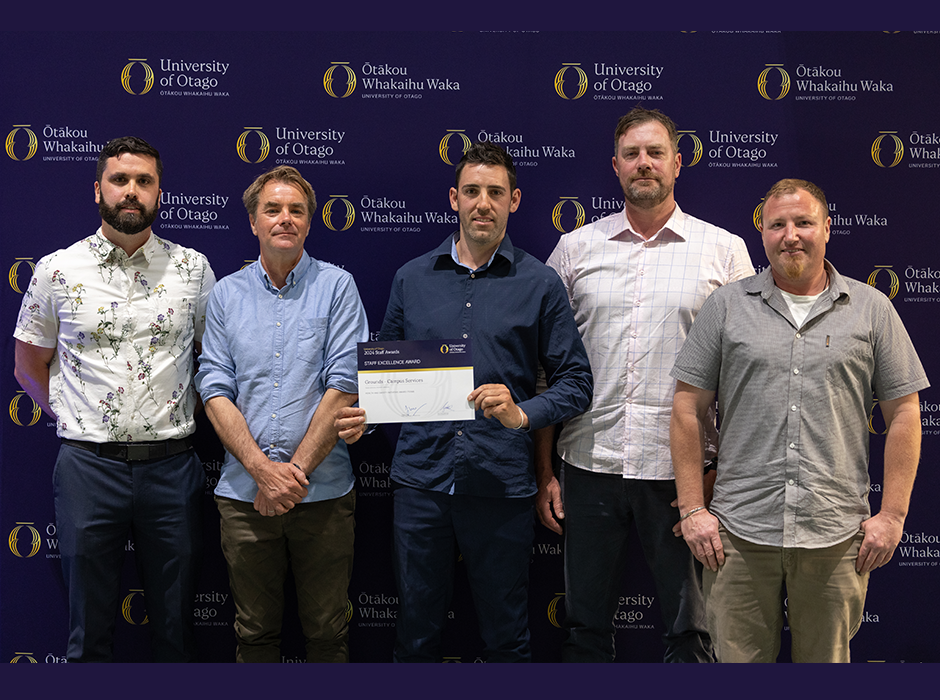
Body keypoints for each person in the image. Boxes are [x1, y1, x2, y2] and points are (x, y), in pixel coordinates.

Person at [335, 141, 593, 662]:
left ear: (514, 201)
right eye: (472, 191)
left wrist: (523, 413)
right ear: (453, 198)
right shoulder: (412, 277)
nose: (483, 203)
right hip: (421, 482)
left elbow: (577, 382)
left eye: (495, 193)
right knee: (415, 634)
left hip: (500, 483)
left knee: (506, 637)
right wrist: (368, 412)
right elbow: (387, 367)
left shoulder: (540, 283)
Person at [670, 178, 927, 663]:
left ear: (827, 229)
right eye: (778, 225)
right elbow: (686, 408)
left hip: (835, 534)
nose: (791, 235)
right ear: (762, 233)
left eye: (804, 223)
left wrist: (892, 515)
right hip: (737, 536)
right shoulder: (726, 307)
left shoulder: (871, 310)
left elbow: (905, 414)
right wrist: (691, 511)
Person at [534, 107, 755, 662]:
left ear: (678, 163)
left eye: (655, 153)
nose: (644, 164)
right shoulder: (574, 250)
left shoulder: (723, 251)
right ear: (615, 166)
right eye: (631, 154)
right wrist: (546, 474)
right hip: (587, 464)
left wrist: (718, 477)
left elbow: (745, 378)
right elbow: (545, 372)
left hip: (682, 475)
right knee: (585, 629)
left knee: (690, 634)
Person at [13, 136, 216, 662]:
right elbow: (27, 366)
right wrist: (79, 419)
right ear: (97, 188)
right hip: (87, 469)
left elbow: (214, 364)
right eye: (120, 180)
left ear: (159, 194)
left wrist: (178, 414)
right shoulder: (57, 270)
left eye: (144, 182)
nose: (132, 192)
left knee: (175, 629)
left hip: (173, 469)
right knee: (89, 632)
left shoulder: (193, 270)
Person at [195, 166, 368, 662]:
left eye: (296, 210)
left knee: (328, 634)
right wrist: (261, 473)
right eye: (272, 209)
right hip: (244, 498)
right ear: (253, 221)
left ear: (310, 223)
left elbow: (345, 384)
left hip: (325, 496)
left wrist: (290, 476)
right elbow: (213, 387)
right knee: (253, 635)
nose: (285, 219)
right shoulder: (226, 294)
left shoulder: (338, 287)